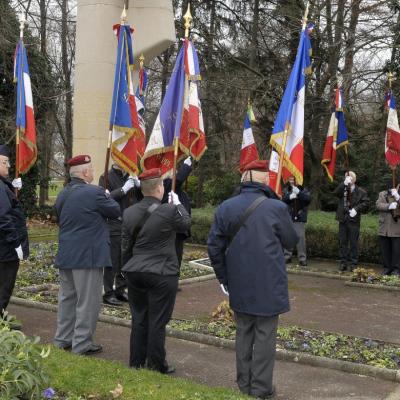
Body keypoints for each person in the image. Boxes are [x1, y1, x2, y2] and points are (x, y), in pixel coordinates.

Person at [207, 160, 298, 400]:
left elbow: (214, 247)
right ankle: (260, 388)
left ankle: (244, 385)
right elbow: (291, 240)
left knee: (243, 333)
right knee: (265, 335)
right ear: (265, 180)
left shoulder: (226, 207)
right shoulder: (276, 208)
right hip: (269, 283)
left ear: (244, 178)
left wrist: (224, 278)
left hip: (238, 281)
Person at [121, 168, 191, 374]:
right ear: (160, 187)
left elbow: (126, 246)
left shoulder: (128, 212)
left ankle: (136, 362)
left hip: (135, 271)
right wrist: (178, 205)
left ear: (143, 190)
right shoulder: (169, 210)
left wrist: (126, 268)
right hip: (162, 272)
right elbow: (185, 224)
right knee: (158, 321)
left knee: (139, 318)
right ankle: (156, 364)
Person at [53, 155, 120, 355]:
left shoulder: (63, 194)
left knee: (68, 299)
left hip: (67, 255)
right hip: (88, 257)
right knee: (87, 302)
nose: (93, 172)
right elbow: (115, 210)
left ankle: (62, 339)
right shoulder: (95, 193)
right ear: (84, 173)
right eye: (90, 169)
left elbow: (59, 216)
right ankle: (81, 344)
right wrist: (107, 194)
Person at [99, 163, 141, 306]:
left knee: (126, 259)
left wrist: (140, 185)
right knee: (113, 261)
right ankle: (109, 292)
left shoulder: (131, 176)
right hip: (114, 224)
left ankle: (121, 289)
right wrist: (123, 189)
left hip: (129, 224)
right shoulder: (105, 177)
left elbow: (138, 198)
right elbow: (104, 199)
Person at [0, 145, 28, 327]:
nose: (8, 166)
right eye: (4, 162)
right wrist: (16, 243)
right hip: (6, 248)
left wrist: (10, 185)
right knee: (4, 285)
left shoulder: (3, 185)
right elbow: (3, 216)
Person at [334, 171, 369, 272]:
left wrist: (356, 209)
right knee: (342, 242)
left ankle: (353, 263)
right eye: (346, 177)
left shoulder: (361, 191)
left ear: (355, 179)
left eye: (350, 177)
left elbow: (366, 203)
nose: (348, 178)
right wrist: (343, 184)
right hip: (343, 219)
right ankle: (343, 262)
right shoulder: (343, 188)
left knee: (353, 243)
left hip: (354, 220)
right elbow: (336, 193)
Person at [162, 156, 192, 268]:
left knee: (176, 261)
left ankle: (174, 283)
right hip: (172, 230)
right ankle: (171, 284)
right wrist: (186, 166)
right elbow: (178, 180)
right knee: (173, 262)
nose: (177, 172)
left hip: (178, 229)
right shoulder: (167, 184)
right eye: (175, 171)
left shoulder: (175, 188)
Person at [282, 176, 311, 266]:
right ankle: (287, 257)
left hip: (299, 216)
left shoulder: (304, 189)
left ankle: (302, 258)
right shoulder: (286, 189)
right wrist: (289, 196)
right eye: (290, 179)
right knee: (288, 237)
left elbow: (307, 199)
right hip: (288, 216)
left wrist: (299, 193)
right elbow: (282, 200)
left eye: (293, 179)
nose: (291, 181)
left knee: (300, 239)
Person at [376, 184, 400, 275]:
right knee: (385, 249)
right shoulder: (383, 194)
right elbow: (378, 205)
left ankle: (396, 269)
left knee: (396, 250)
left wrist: (398, 197)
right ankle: (387, 268)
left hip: (396, 226)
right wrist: (389, 206)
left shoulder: (398, 194)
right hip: (384, 227)